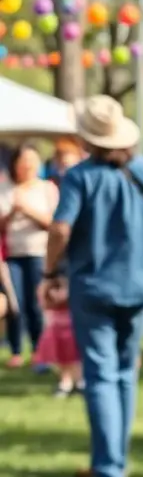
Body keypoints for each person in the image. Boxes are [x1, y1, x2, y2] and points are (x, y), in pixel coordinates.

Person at [39, 95, 143, 477]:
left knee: (101, 375)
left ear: (88, 139)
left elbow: (59, 229)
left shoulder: (80, 176)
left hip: (95, 286)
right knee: (124, 372)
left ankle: (108, 466)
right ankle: (114, 461)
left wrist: (50, 271)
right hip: (142, 284)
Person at [0, 142, 60, 368]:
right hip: (11, 254)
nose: (26, 165)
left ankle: (39, 350)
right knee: (15, 303)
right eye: (23, 161)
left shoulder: (47, 189)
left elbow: (54, 223)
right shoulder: (5, 189)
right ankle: (16, 349)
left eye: (31, 161)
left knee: (37, 303)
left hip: (39, 252)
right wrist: (12, 212)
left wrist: (26, 209)